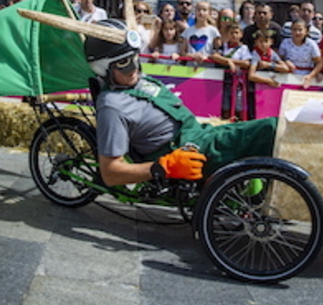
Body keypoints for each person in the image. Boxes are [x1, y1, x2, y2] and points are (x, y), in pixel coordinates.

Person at [88, 20, 277, 186]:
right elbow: (110, 173)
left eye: (134, 58)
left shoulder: (139, 80)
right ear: (104, 68)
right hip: (188, 151)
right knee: (271, 129)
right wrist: (162, 167)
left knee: (271, 126)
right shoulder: (112, 106)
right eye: (123, 64)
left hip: (200, 133)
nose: (133, 69)